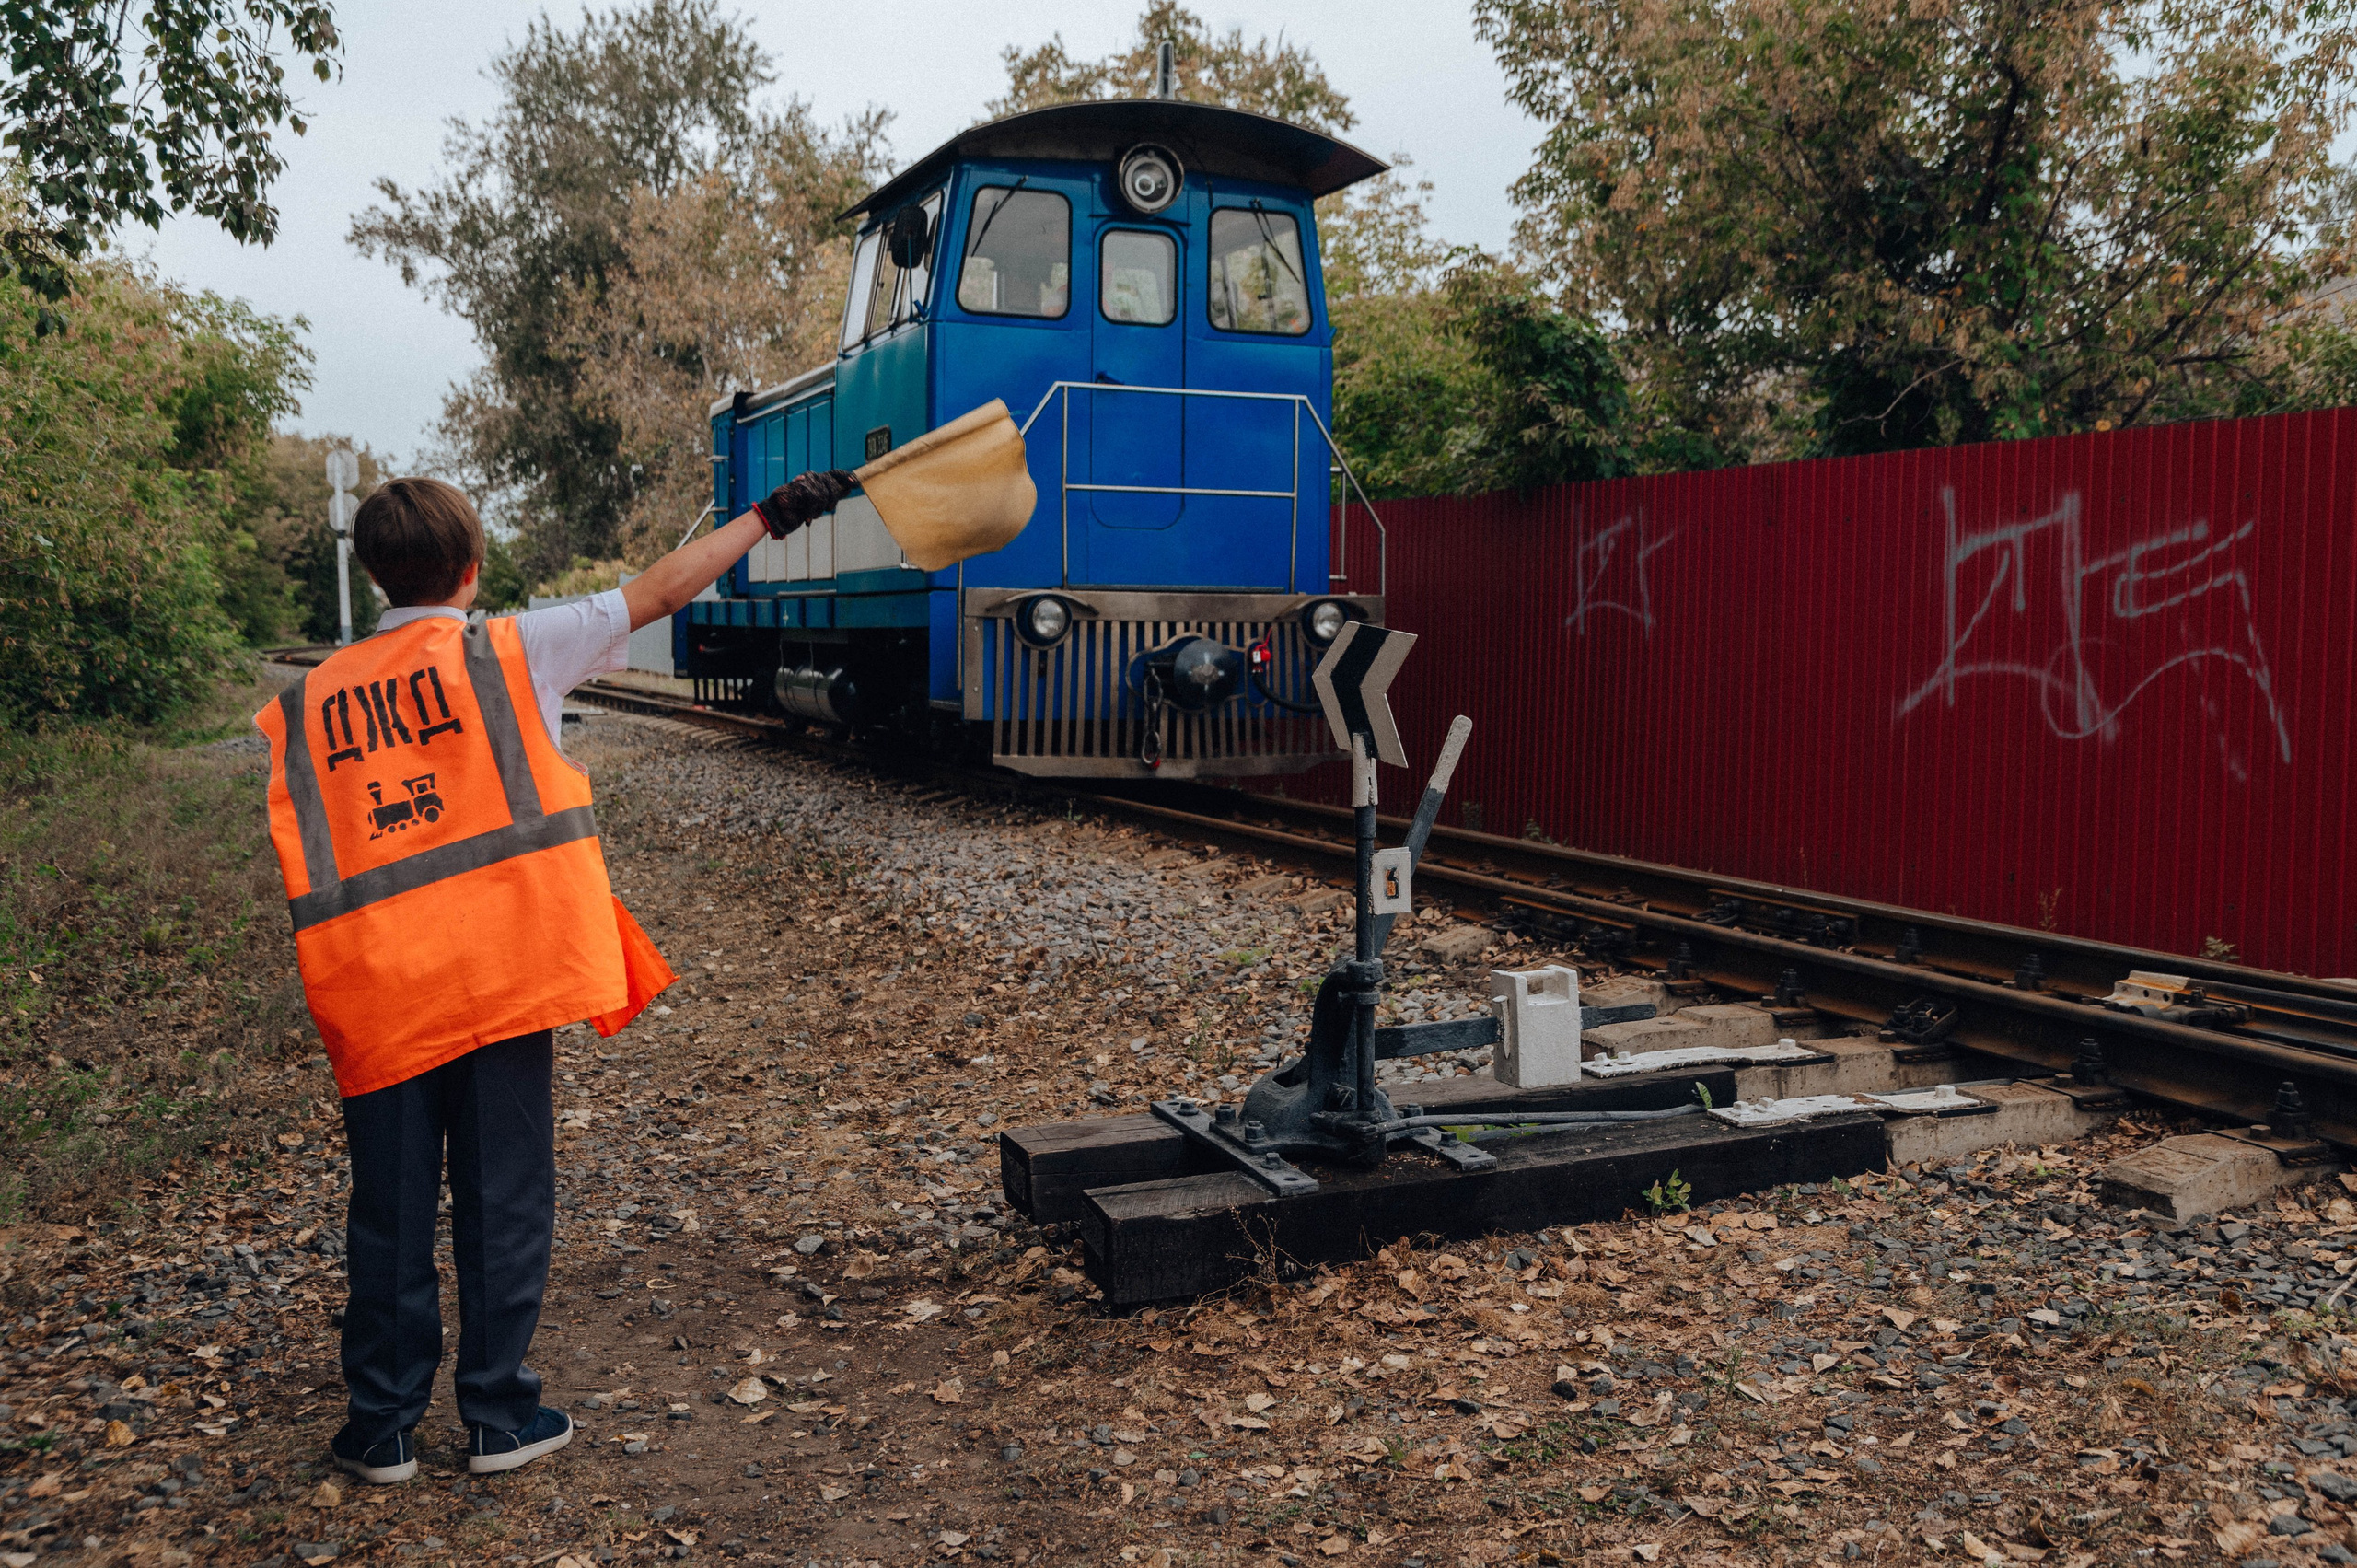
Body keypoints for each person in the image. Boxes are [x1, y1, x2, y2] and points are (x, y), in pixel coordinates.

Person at [254, 467, 857, 1483]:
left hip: (377, 989)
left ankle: (381, 1425)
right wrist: (768, 513)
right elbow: (662, 589)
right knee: (503, 1191)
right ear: (472, 567)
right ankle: (496, 1415)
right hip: (500, 978)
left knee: (390, 1205)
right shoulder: (509, 648)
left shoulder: (303, 703)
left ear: (372, 570)